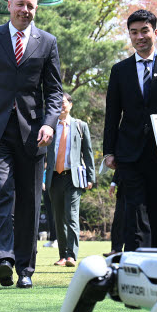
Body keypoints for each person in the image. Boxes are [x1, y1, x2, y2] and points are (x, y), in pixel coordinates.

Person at [0, 0, 62, 289]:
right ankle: (5, 258)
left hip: (34, 134)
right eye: (20, 5)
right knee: (2, 191)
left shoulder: (47, 43)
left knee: (30, 203)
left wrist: (49, 123)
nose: (25, 11)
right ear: (9, 5)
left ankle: (25, 269)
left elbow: (55, 92)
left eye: (31, 7)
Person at [104, 9, 157, 252]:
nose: (139, 36)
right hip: (128, 153)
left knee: (156, 210)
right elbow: (112, 115)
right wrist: (108, 151)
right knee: (133, 210)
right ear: (129, 35)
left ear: (155, 32)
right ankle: (135, 263)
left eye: (144, 31)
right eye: (134, 32)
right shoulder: (119, 70)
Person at [43, 92, 95, 267]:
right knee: (58, 217)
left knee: (71, 216)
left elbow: (88, 154)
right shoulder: (49, 127)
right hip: (54, 177)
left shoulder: (80, 126)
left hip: (73, 178)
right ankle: (63, 255)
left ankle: (72, 255)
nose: (61, 106)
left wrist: (90, 177)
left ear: (70, 105)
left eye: (63, 102)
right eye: (57, 103)